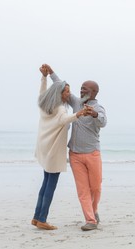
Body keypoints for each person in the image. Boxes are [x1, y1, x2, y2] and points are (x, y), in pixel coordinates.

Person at [45, 64, 107, 231]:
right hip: (75, 155)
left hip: (93, 154)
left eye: (85, 90)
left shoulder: (98, 108)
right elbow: (60, 84)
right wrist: (51, 73)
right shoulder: (77, 103)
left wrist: (93, 114)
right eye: (80, 89)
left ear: (94, 93)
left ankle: (94, 211)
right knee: (82, 190)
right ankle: (90, 220)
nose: (81, 92)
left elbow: (103, 121)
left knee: (96, 187)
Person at [32, 65, 87, 230]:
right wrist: (79, 114)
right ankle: (42, 219)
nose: (68, 94)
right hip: (54, 150)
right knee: (50, 185)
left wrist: (44, 78)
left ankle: (36, 217)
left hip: (44, 147)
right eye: (66, 92)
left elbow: (42, 91)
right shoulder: (60, 108)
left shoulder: (45, 103)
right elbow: (64, 120)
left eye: (69, 91)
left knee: (45, 183)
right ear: (59, 93)